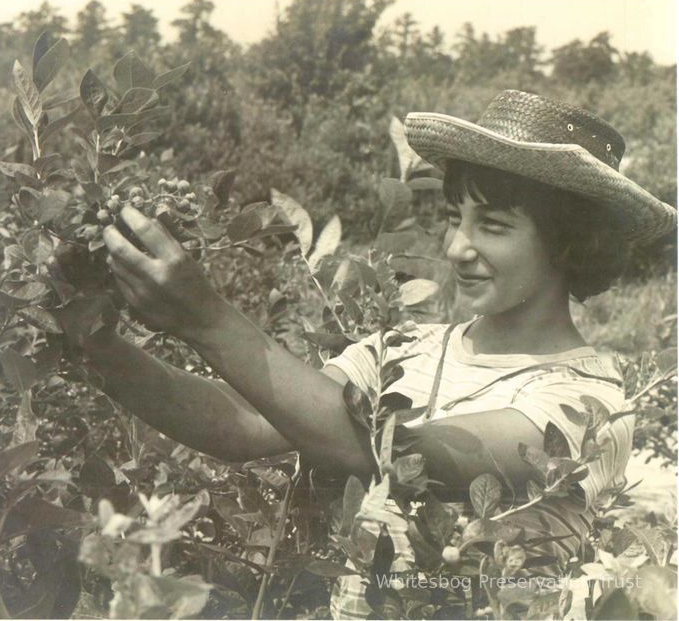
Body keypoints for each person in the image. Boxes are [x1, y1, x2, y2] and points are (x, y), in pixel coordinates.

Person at [60, 90, 676, 618]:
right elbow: (243, 423)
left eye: (492, 225)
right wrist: (95, 342)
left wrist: (207, 319)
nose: (458, 246)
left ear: (569, 246)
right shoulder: (401, 351)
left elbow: (394, 455)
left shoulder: (587, 405)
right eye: (456, 217)